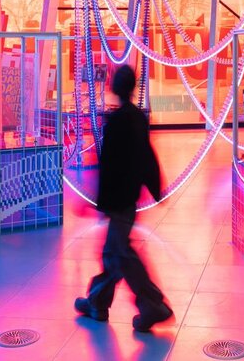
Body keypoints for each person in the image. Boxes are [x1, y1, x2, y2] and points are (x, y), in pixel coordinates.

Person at [74, 64, 173, 333]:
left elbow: (108, 166)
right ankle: (97, 302)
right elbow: (147, 156)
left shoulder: (117, 122)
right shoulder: (138, 118)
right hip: (130, 197)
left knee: (121, 253)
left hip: (119, 199)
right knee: (112, 251)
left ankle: (153, 304)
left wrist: (98, 201)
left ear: (114, 87)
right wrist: (155, 186)